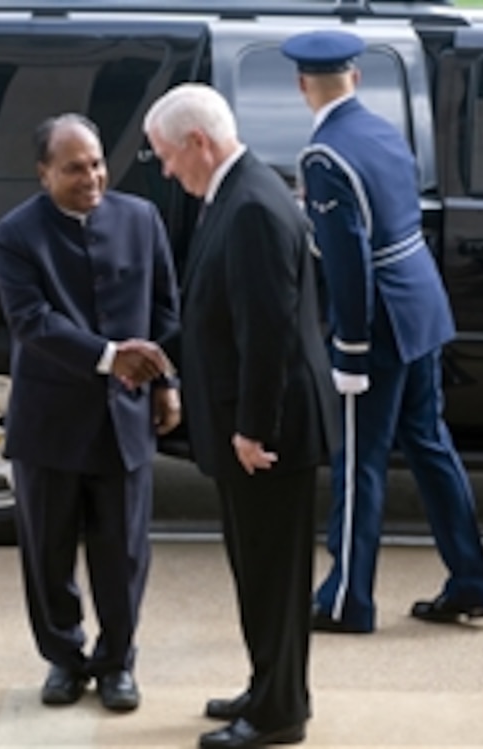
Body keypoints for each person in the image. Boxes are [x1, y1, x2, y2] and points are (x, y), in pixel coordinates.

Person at [282, 30, 483, 633]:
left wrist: (349, 349)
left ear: (303, 85)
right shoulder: (384, 133)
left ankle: (348, 598)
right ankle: (472, 580)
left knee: (360, 464)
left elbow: (349, 262)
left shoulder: (324, 157)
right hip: (420, 307)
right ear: (354, 78)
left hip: (376, 325)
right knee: (431, 448)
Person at [144, 84, 337, 749]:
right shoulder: (237, 191)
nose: (167, 171)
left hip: (267, 433)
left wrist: (252, 427)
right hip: (248, 424)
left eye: (167, 156)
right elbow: (216, 311)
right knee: (256, 570)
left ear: (199, 142)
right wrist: (155, 356)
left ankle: (280, 712)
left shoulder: (251, 204)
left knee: (273, 577)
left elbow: (269, 332)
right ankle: (268, 684)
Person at [0, 113, 181, 713]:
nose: (91, 177)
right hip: (50, 419)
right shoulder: (16, 235)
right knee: (48, 553)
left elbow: (166, 313)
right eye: (74, 168)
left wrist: (166, 381)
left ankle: (118, 661)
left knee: (123, 553)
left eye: (97, 163)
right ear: (44, 173)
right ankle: (64, 659)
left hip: (125, 419)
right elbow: (32, 323)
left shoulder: (140, 219)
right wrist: (109, 358)